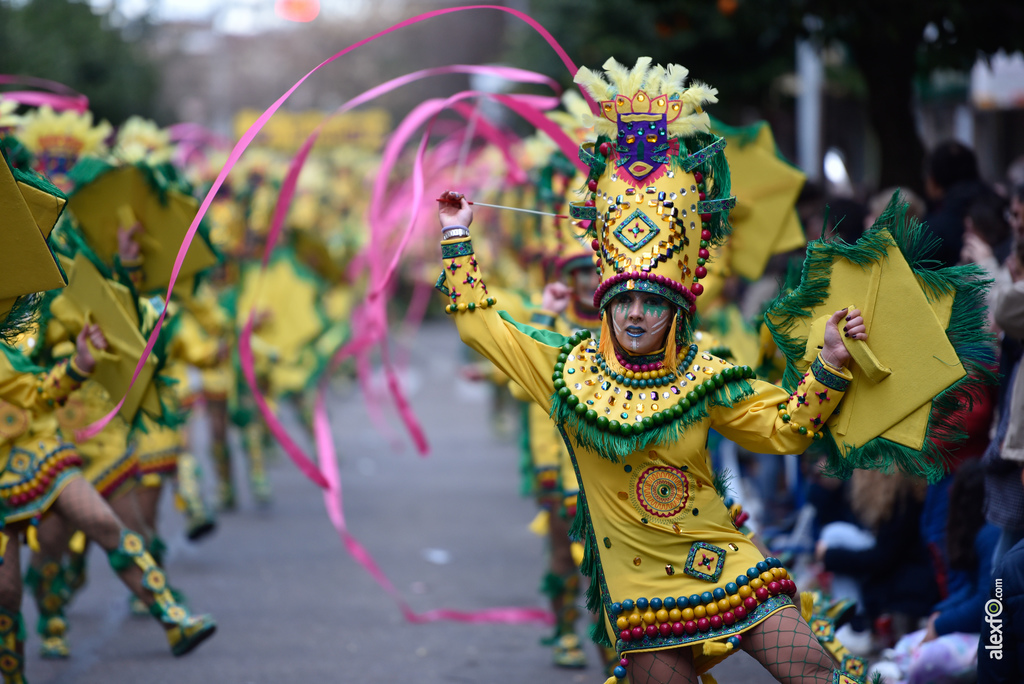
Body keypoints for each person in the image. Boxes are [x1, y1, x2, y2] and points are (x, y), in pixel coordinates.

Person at [437, 57, 870, 684]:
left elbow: (785, 430)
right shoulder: (566, 371)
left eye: (653, 303)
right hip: (643, 601)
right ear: (604, 303)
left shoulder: (705, 375)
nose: (636, 314)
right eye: (624, 301)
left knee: (822, 679)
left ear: (676, 312)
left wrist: (829, 364)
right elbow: (480, 324)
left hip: (729, 567)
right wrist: (457, 237)